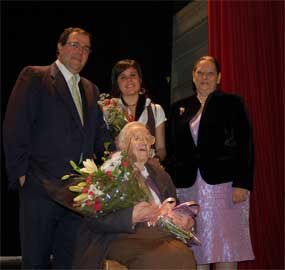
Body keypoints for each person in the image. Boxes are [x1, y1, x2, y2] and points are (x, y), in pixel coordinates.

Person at [3, 27, 112, 269]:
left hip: (77, 194)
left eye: (86, 48)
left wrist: (118, 156)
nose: (80, 51)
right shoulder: (35, 76)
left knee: (70, 262)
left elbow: (98, 137)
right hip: (39, 187)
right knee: (36, 261)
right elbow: (15, 126)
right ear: (59, 48)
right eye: (74, 44)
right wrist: (21, 175)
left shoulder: (91, 89)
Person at [45, 121, 197, 269]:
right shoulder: (109, 172)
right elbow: (93, 221)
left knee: (184, 254)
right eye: (137, 138)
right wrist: (131, 216)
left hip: (160, 235)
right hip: (123, 237)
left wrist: (185, 223)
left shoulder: (160, 174)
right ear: (122, 144)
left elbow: (177, 207)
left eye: (147, 138)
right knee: (155, 258)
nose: (143, 142)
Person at [166, 56, 255, 270]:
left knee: (226, 245)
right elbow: (172, 150)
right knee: (197, 247)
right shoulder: (179, 108)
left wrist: (242, 183)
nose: (204, 77)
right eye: (200, 73)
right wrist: (172, 190)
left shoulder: (232, 103)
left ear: (219, 78)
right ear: (193, 77)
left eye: (210, 73)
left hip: (225, 188)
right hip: (188, 189)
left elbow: (245, 145)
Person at [110, 59, 167, 161]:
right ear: (117, 83)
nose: (129, 80)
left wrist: (154, 161)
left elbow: (161, 148)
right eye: (123, 77)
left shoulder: (155, 110)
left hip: (148, 171)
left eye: (133, 75)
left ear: (140, 79)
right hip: (119, 172)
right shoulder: (110, 110)